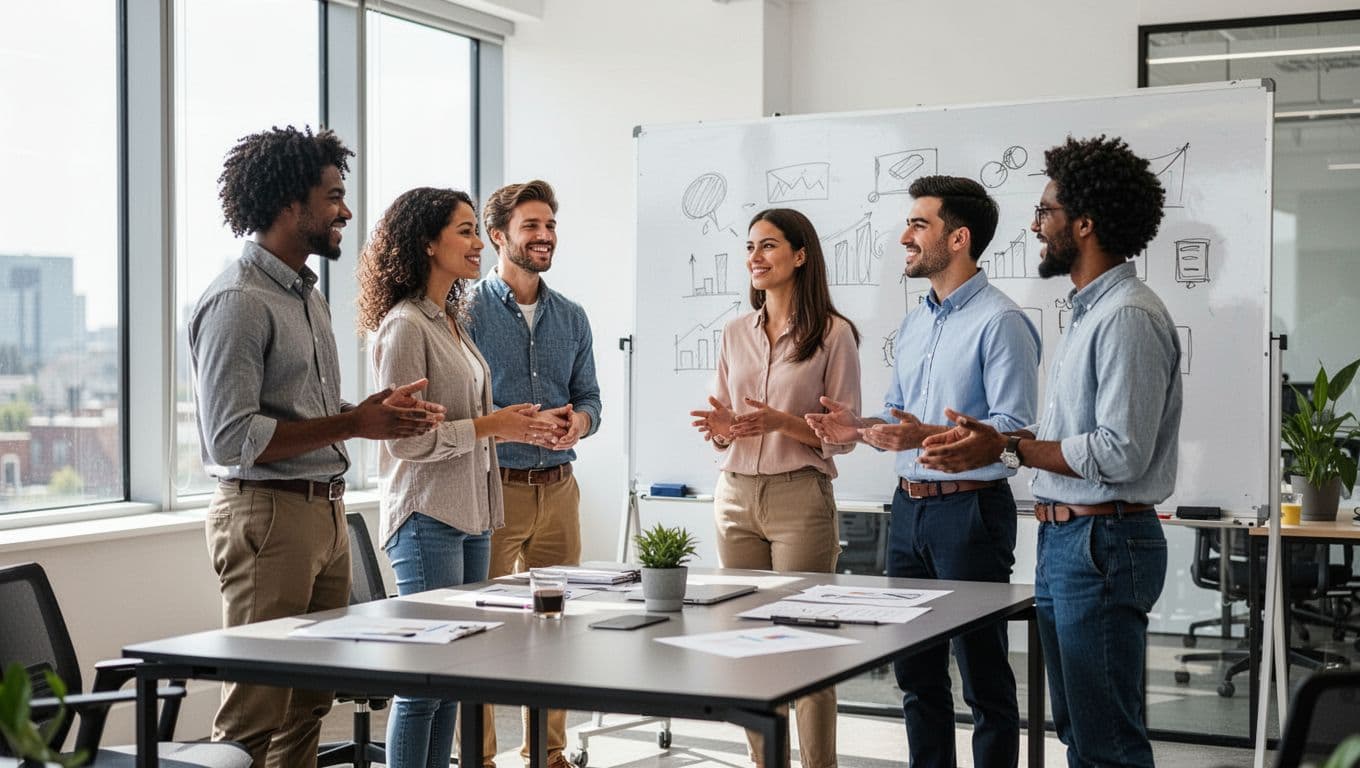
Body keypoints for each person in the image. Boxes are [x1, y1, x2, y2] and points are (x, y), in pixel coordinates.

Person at [919, 135, 1179, 768]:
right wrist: (1007, 447)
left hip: (1103, 542)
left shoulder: (1125, 317)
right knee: (1081, 735)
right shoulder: (1089, 313)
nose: (1036, 227)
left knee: (1105, 744)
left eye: (1045, 213)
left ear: (1083, 224)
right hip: (1071, 540)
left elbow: (1119, 453)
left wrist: (1010, 446)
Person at [189, 125, 445, 768]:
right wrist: (353, 424)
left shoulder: (307, 296)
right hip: (269, 517)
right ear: (287, 205)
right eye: (332, 196)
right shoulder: (238, 300)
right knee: (254, 712)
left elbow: (306, 413)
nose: (346, 211)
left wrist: (371, 417)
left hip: (323, 513)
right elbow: (233, 437)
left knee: (307, 705)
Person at [805, 176, 1039, 768]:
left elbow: (1013, 430)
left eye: (919, 224)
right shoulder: (915, 324)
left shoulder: (1001, 322)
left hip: (971, 513)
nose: (905, 236)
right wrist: (857, 427)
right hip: (908, 509)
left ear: (958, 238)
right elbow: (900, 417)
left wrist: (921, 434)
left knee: (982, 672)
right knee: (916, 672)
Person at [357, 187, 564, 768]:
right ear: (427, 243)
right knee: (422, 682)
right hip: (428, 518)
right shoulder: (404, 327)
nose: (479, 243)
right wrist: (488, 425)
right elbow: (408, 440)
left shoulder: (449, 320)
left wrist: (512, 427)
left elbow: (472, 423)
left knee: (452, 677)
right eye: (466, 231)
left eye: (477, 230)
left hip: (472, 516)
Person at [689, 207, 861, 768]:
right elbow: (729, 416)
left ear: (800, 255)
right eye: (750, 247)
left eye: (768, 246)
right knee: (748, 646)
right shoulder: (735, 332)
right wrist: (721, 431)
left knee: (806, 647)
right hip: (735, 495)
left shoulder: (834, 334)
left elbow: (846, 435)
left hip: (799, 498)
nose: (755, 258)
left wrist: (782, 423)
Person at [465, 179, 602, 768]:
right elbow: (459, 408)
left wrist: (581, 423)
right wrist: (507, 425)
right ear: (499, 236)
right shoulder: (464, 311)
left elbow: (590, 397)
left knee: (554, 628)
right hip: (497, 492)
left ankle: (548, 752)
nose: (544, 236)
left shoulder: (571, 316)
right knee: (484, 634)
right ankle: (482, 757)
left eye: (549, 225)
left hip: (559, 491)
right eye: (531, 226)